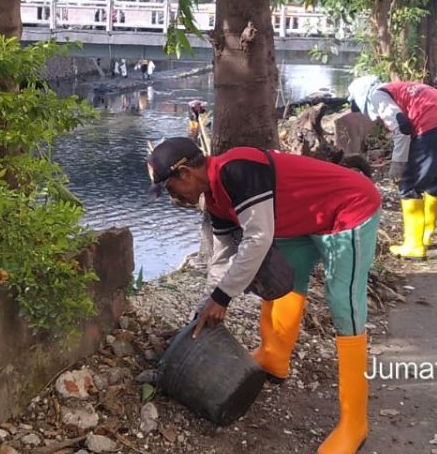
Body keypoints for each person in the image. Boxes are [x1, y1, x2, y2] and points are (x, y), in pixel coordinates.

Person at [146, 138, 381, 454]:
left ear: (186, 173)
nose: (173, 197)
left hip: (348, 209)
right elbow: (224, 252)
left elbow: (257, 239)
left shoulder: (238, 171)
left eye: (170, 188)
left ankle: (354, 423)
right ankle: (274, 356)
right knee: (287, 283)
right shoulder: (214, 196)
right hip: (306, 219)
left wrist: (223, 297)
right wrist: (209, 302)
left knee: (344, 304)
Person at [352, 78, 437, 259]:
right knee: (436, 183)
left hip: (431, 127)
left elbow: (402, 126)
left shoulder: (377, 95)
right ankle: (427, 235)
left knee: (409, 186)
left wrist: (398, 163)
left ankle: (413, 245)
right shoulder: (402, 87)